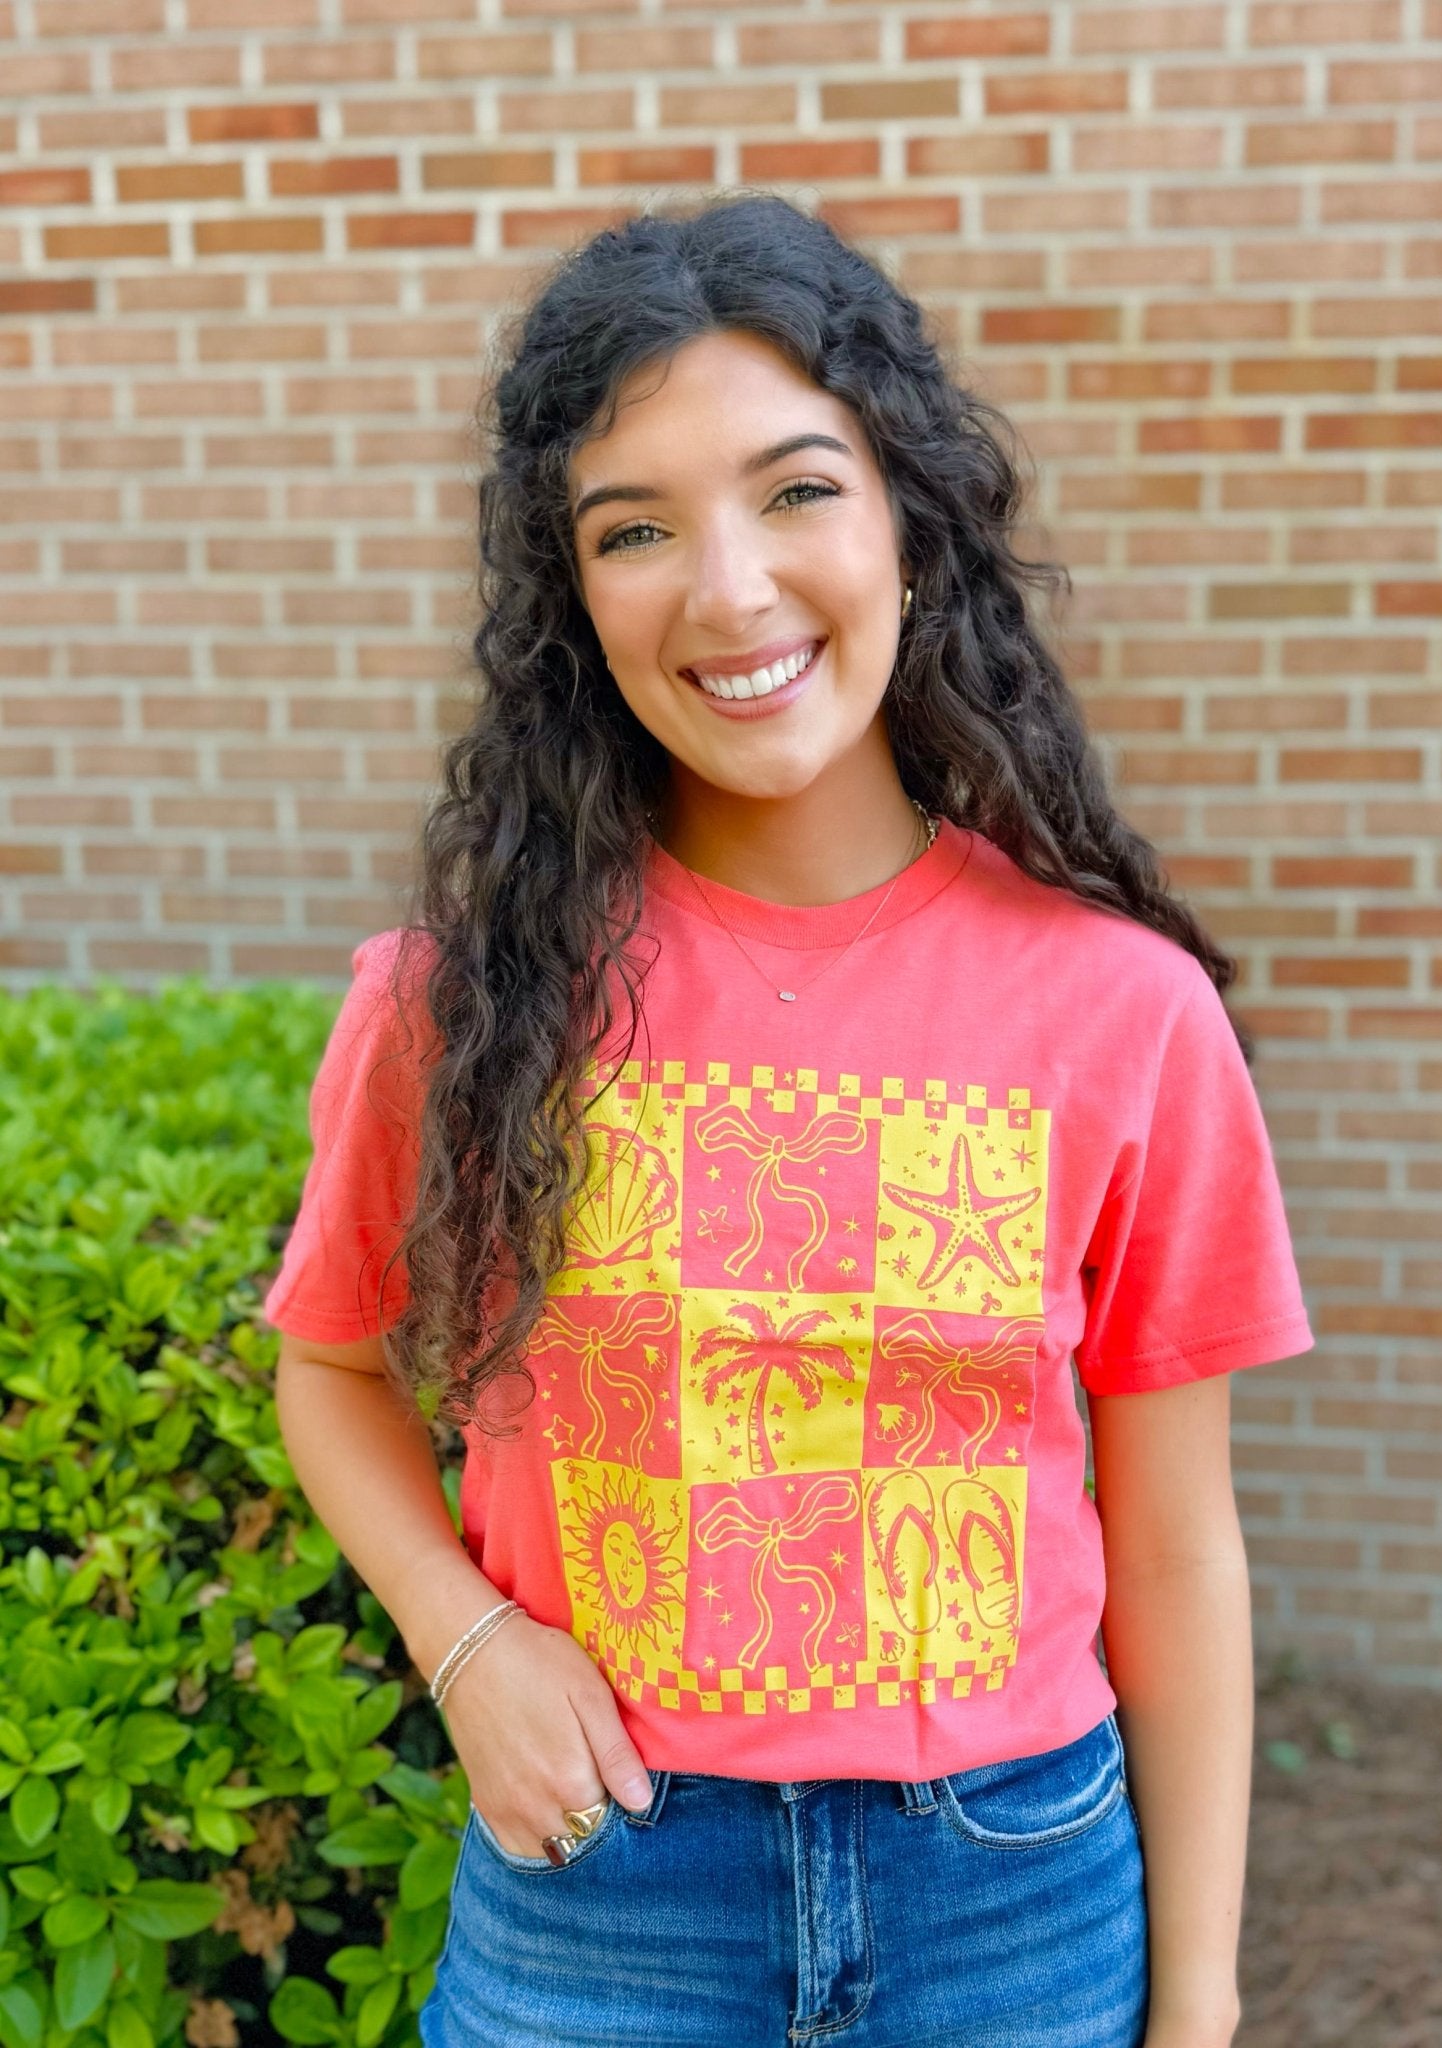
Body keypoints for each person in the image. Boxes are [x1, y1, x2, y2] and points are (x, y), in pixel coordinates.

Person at [266, 193, 1314, 2048]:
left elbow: (1173, 1549)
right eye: (635, 529)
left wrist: (1203, 2003)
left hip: (1011, 1904)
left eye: (797, 491)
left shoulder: (1122, 1009)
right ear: (573, 596)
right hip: (598, 1901)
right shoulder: (461, 1002)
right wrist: (467, 1636)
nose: (730, 590)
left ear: (909, 513)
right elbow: (332, 1370)